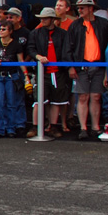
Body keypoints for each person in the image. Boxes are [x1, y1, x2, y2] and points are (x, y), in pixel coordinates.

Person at [66, 0, 108, 140]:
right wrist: (71, 66)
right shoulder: (75, 25)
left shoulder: (103, 24)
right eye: (78, 8)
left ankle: (95, 127)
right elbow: (69, 47)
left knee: (96, 96)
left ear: (91, 8)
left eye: (82, 8)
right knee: (83, 96)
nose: (79, 10)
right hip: (81, 65)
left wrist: (106, 67)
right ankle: (83, 127)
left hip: (99, 65)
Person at [29, 8, 71, 137]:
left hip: (58, 71)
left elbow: (66, 50)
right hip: (43, 71)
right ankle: (35, 126)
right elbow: (31, 48)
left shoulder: (63, 34)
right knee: (38, 100)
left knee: (56, 101)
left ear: (53, 19)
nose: (43, 21)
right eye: (41, 18)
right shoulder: (35, 33)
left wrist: (67, 67)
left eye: (45, 18)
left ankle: (53, 126)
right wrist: (38, 57)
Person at [0, 24, 26, 137]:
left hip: (11, 76)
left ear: (10, 31)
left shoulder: (16, 44)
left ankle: (11, 128)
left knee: (11, 103)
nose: (1, 31)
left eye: (4, 29)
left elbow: (21, 61)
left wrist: (26, 75)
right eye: (0, 29)